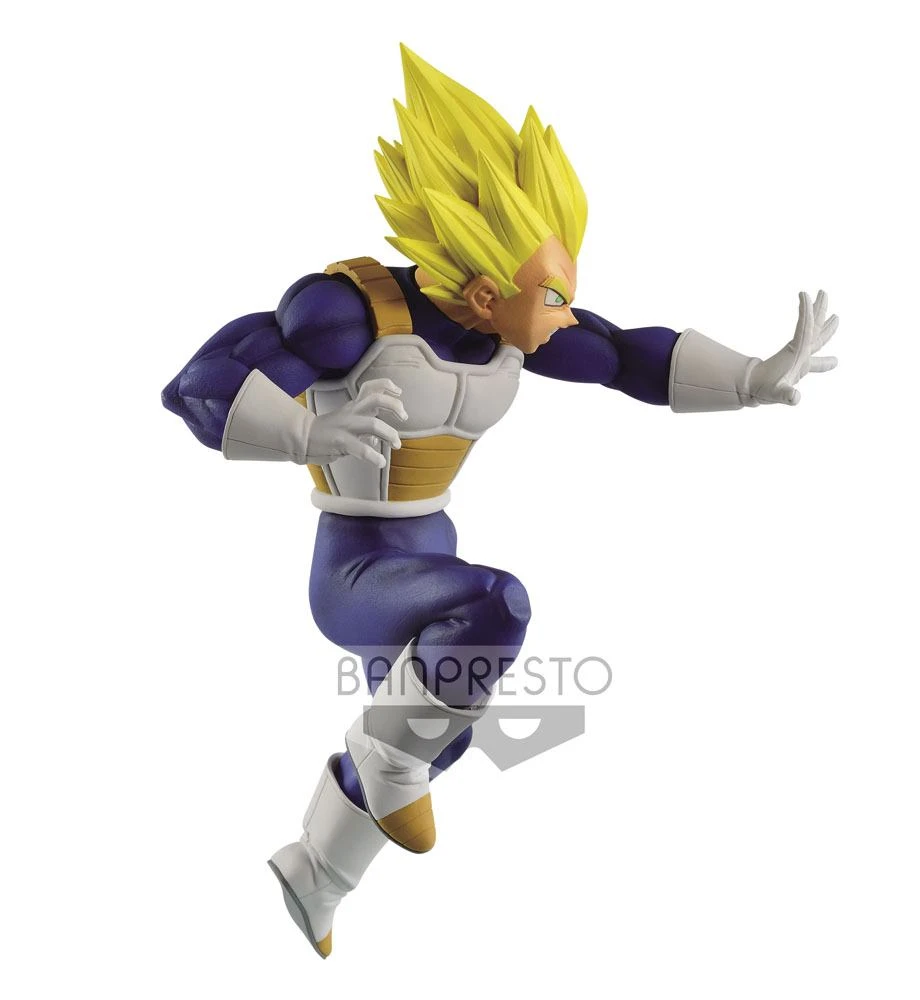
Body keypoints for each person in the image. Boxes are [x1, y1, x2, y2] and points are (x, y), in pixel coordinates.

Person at [162, 44, 839, 959]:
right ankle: (386, 765)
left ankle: (316, 872)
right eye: (551, 293)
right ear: (483, 289)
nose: (564, 313)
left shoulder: (512, 329)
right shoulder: (345, 316)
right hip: (357, 568)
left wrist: (754, 377)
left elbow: (624, 354)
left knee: (439, 736)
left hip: (428, 556)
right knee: (495, 608)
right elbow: (196, 387)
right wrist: (303, 433)